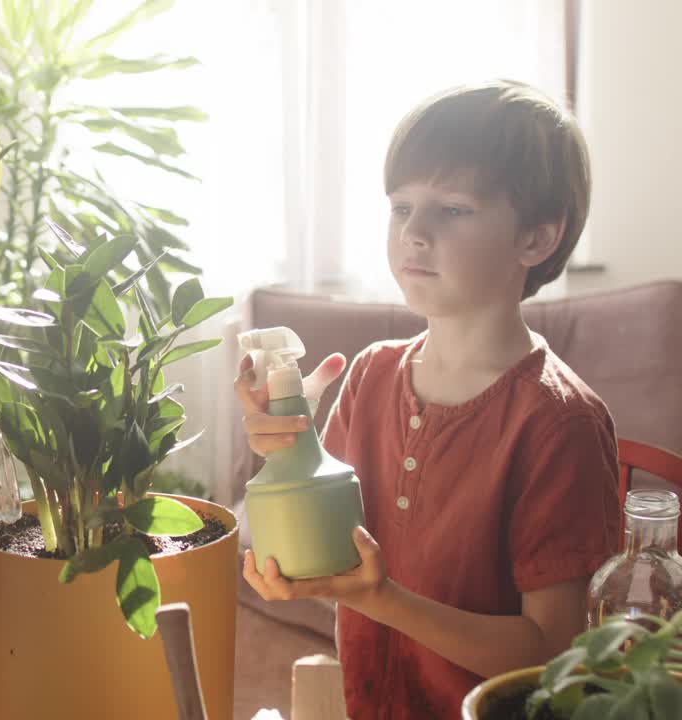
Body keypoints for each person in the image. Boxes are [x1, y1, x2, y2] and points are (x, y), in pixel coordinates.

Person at [235, 80, 619, 719]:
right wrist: (284, 446)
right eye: (401, 206)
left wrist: (384, 599)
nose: (414, 232)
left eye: (453, 209)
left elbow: (552, 652)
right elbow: (318, 559)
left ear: (536, 239)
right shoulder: (372, 376)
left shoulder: (560, 424)